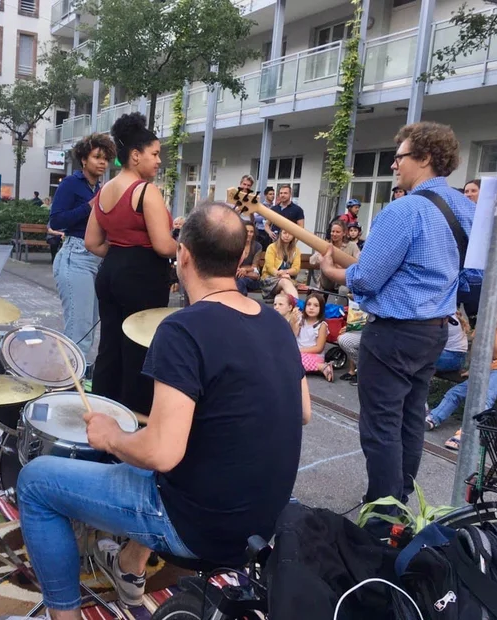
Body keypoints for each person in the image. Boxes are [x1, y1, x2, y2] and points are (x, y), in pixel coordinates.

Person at [16, 203, 309, 620]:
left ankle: (64, 615)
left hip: (199, 526)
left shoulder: (183, 329)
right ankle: (131, 567)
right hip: (264, 520)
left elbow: (162, 454)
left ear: (183, 255)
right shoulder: (275, 324)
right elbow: (303, 411)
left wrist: (109, 436)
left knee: (36, 482)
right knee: (151, 451)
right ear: (241, 257)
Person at [319, 121, 476, 520]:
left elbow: (367, 276)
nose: (393, 165)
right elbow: (473, 276)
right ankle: (402, 494)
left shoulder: (403, 211)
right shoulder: (465, 208)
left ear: (424, 158)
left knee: (381, 423)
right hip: (435, 331)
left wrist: (336, 274)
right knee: (409, 416)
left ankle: (384, 510)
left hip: (394, 333)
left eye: (400, 156)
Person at [85, 113, 177, 414]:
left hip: (110, 271)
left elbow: (92, 243)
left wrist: (122, 250)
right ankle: (133, 421)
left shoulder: (104, 190)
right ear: (135, 156)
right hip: (142, 275)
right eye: (154, 154)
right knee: (139, 350)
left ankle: (101, 412)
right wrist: (186, 248)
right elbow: (164, 246)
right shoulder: (145, 191)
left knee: (110, 347)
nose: (158, 160)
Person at [50, 134, 117, 364]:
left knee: (88, 329)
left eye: (106, 158)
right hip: (75, 257)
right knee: (79, 330)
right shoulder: (71, 184)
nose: (102, 163)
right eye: (97, 157)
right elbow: (56, 221)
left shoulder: (98, 187)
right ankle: (68, 385)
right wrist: (89, 206)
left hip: (94, 260)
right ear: (83, 159)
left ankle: (75, 381)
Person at [428, 288, 497, 451]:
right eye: (490, 305)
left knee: (483, 396)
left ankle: (467, 433)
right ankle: (432, 418)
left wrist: (491, 328)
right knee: (456, 392)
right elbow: (476, 347)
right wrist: (473, 367)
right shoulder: (485, 324)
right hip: (487, 370)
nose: (493, 309)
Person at [311, 220, 360, 297]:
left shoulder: (352, 246)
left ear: (344, 233)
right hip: (327, 282)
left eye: (337, 232)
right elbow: (312, 261)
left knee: (343, 290)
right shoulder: (326, 245)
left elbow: (359, 263)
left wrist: (342, 267)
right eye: (333, 231)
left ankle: (340, 308)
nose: (334, 234)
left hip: (343, 281)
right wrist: (321, 258)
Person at [458, 179, 484, 325]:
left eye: (473, 191)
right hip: (459, 275)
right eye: (466, 191)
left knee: (476, 319)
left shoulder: (487, 216)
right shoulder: (460, 215)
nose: (468, 194)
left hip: (477, 276)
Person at [294, 293, 334, 382]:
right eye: (308, 304)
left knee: (294, 361)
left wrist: (299, 350)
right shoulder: (301, 319)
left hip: (313, 355)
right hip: (298, 351)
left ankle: (322, 366)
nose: (311, 308)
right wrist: (295, 322)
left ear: (321, 309)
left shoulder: (321, 325)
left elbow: (319, 348)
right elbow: (293, 336)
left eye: (316, 305)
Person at [260, 228, 300, 301]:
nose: (287, 236)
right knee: (284, 281)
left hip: (288, 279)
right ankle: (298, 306)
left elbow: (296, 269)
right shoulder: (272, 247)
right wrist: (280, 274)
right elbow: (270, 267)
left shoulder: (296, 250)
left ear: (293, 236)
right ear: (280, 233)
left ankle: (287, 311)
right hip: (270, 279)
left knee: (284, 293)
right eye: (285, 233)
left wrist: (285, 272)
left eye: (290, 234)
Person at [235, 222, 263, 296]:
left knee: (241, 280)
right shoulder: (235, 244)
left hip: (251, 278)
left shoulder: (257, 246)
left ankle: (240, 303)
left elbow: (254, 267)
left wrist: (245, 270)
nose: (249, 234)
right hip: (237, 274)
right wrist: (242, 269)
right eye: (247, 231)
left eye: (251, 232)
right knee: (238, 280)